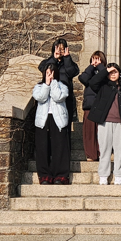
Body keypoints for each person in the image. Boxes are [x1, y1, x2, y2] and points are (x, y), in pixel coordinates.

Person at [88, 63, 121, 185]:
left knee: (119, 150)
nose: (112, 74)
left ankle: (119, 175)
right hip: (105, 122)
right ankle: (103, 175)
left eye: (115, 72)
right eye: (110, 72)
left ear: (119, 73)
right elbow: (93, 82)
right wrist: (106, 70)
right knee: (105, 150)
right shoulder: (103, 86)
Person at [37, 38, 78, 184]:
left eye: (62, 48)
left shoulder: (69, 63)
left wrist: (66, 58)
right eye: (57, 48)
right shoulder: (48, 62)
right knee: (46, 142)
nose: (59, 51)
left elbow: (72, 72)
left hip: (63, 100)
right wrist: (53, 59)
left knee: (62, 138)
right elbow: (43, 69)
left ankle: (61, 172)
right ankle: (47, 173)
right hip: (47, 102)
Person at [32, 63, 70, 185]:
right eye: (47, 73)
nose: (49, 75)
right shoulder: (39, 87)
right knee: (43, 148)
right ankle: (44, 175)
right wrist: (46, 84)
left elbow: (58, 97)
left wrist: (53, 83)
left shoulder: (62, 86)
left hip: (58, 119)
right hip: (43, 120)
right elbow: (41, 98)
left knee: (59, 147)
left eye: (51, 73)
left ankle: (61, 175)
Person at [77, 51, 106, 162]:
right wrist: (91, 67)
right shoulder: (89, 73)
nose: (95, 61)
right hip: (89, 106)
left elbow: (106, 79)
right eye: (93, 59)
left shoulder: (104, 72)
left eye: (98, 59)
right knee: (89, 132)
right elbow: (82, 79)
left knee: (101, 132)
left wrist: (100, 67)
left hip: (100, 106)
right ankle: (91, 154)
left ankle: (101, 153)